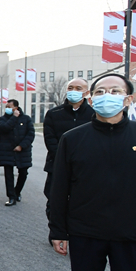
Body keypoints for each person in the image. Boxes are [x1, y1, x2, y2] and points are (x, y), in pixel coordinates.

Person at [50, 73, 136, 271]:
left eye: (114, 91)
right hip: (85, 230)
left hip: (131, 231)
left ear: (128, 99)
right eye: (100, 91)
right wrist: (58, 230)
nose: (106, 96)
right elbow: (59, 188)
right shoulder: (73, 139)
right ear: (91, 97)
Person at [42, 78, 92, 240]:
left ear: (86, 92)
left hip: (85, 167)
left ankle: (77, 232)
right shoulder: (54, 114)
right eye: (71, 88)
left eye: (78, 88)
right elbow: (50, 139)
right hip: (56, 165)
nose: (73, 91)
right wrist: (63, 159)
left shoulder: (93, 114)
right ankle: (57, 231)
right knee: (54, 200)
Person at [0, 99, 34, 206]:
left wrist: (22, 146)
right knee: (8, 175)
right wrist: (14, 117)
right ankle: (11, 196)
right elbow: (4, 128)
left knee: (23, 173)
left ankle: (17, 191)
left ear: (16, 108)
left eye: (10, 107)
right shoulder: (2, 119)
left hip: (23, 151)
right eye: (6, 107)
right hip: (7, 151)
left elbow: (30, 134)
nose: (7, 109)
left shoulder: (26, 119)